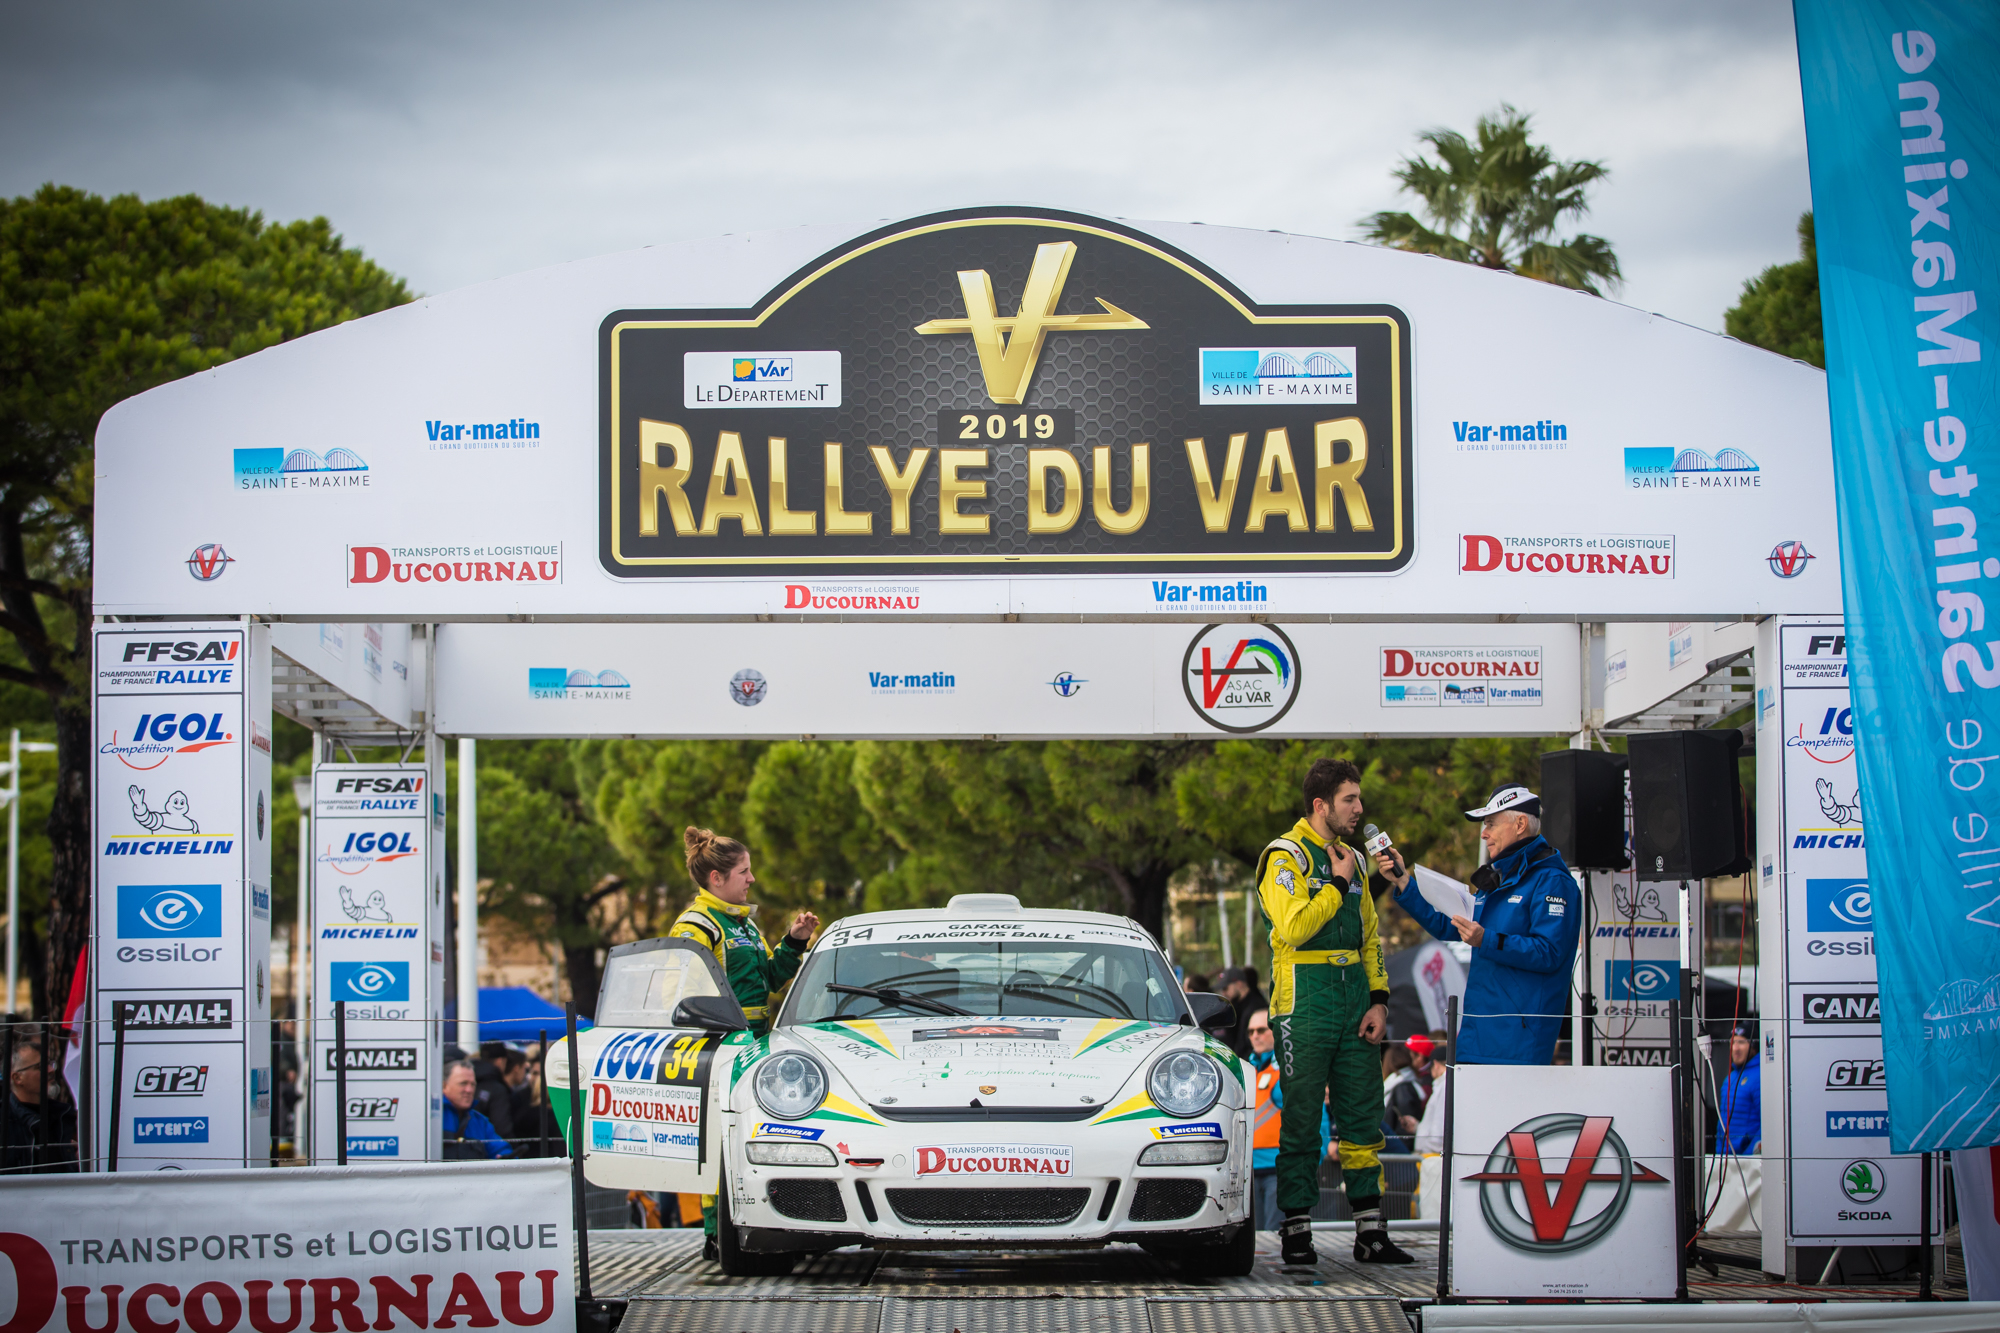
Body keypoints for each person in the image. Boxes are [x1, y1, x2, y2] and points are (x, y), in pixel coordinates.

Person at [1255, 757, 1411, 1267]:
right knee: (1302, 1120)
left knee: (1364, 1117)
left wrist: (1380, 1000)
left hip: (1354, 1003)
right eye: (1350, 799)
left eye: (1359, 797)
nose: (1360, 808)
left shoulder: (1356, 859)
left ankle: (1372, 1232)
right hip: (1302, 1004)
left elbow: (1370, 936)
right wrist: (1337, 884)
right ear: (1321, 805)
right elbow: (1295, 927)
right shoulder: (1284, 856)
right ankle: (1296, 1232)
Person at [671, 826, 818, 1259]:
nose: (752, 879)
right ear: (716, 878)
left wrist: (793, 941)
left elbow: (769, 979)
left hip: (754, 1050)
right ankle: (717, 1235)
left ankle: (765, 1224)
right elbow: (680, 993)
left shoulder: (745, 924)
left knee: (750, 1142)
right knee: (719, 1145)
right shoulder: (695, 925)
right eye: (744, 871)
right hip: (719, 1052)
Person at [1376, 784, 1580, 1066]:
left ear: (1520, 824)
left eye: (1491, 823)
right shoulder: (1498, 878)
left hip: (1518, 1044)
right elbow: (1450, 925)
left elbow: (1549, 953)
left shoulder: (1552, 880)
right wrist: (1404, 883)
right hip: (1476, 1036)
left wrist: (1487, 939)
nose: (1484, 833)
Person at [1244, 1009, 1332, 1233]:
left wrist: (1310, 1163)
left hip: (1279, 1173)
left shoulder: (1290, 1071)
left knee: (1274, 1237)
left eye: (1261, 1030)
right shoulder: (1247, 1071)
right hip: (1248, 1174)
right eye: (1251, 1031)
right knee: (1255, 1239)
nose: (1255, 1036)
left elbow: (1316, 1118)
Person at [3, 1035, 77, 1173]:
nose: (50, 1070)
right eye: (40, 1066)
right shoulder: (5, 1120)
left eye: (50, 1063)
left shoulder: (65, 1116)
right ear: (18, 1078)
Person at [1409, 1035, 1450, 1220]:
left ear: (1436, 1065)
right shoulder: (1442, 1086)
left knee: (1430, 1211)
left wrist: (1426, 1146)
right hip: (1432, 1159)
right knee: (1426, 1207)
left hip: (1434, 1160)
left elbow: (1439, 1131)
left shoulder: (1445, 1086)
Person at [442, 1058, 514, 1160]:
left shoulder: (480, 1122)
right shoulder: (432, 1117)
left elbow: (501, 1150)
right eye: (463, 1083)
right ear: (444, 1085)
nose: (469, 1090)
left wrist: (504, 1158)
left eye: (473, 1084)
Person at [1714, 1022, 1761, 1155]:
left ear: (1753, 1046)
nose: (1735, 1048)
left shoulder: (1761, 1076)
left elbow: (1768, 1123)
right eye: (1732, 1042)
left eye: (1741, 1042)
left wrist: (1749, 1155)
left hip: (1746, 1161)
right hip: (1726, 1158)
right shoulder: (1730, 1077)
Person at [1218, 967, 1270, 1058]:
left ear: (1239, 984)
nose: (1223, 993)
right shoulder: (1237, 1007)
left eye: (1225, 988)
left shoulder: (1256, 1007)